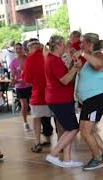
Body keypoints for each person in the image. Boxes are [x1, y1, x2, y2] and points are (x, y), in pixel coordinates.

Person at [44, 35, 83, 168]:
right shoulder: (53, 60)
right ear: (58, 45)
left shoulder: (53, 59)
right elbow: (65, 80)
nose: (65, 47)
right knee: (73, 128)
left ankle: (67, 159)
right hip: (59, 99)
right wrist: (75, 69)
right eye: (64, 45)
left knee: (68, 128)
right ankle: (53, 154)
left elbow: (66, 78)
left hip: (61, 98)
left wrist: (73, 68)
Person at [74, 33, 103, 170]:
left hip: (95, 99)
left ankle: (97, 159)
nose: (81, 46)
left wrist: (83, 54)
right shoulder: (90, 58)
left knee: (86, 131)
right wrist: (79, 68)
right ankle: (100, 155)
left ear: (89, 44)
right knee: (89, 131)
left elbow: (99, 65)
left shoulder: (98, 55)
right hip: (90, 101)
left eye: (83, 43)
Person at [22, 38, 53, 153]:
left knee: (37, 118)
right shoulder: (50, 55)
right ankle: (61, 142)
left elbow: (27, 79)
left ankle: (37, 143)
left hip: (39, 94)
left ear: (30, 48)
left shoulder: (30, 59)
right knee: (57, 119)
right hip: (54, 93)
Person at [10, 43, 32, 132]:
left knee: (34, 104)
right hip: (20, 86)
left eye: (20, 48)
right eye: (16, 49)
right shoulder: (13, 62)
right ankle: (25, 122)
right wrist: (13, 79)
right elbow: (12, 74)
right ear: (14, 50)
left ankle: (39, 121)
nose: (18, 50)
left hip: (30, 85)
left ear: (23, 48)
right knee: (24, 105)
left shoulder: (29, 59)